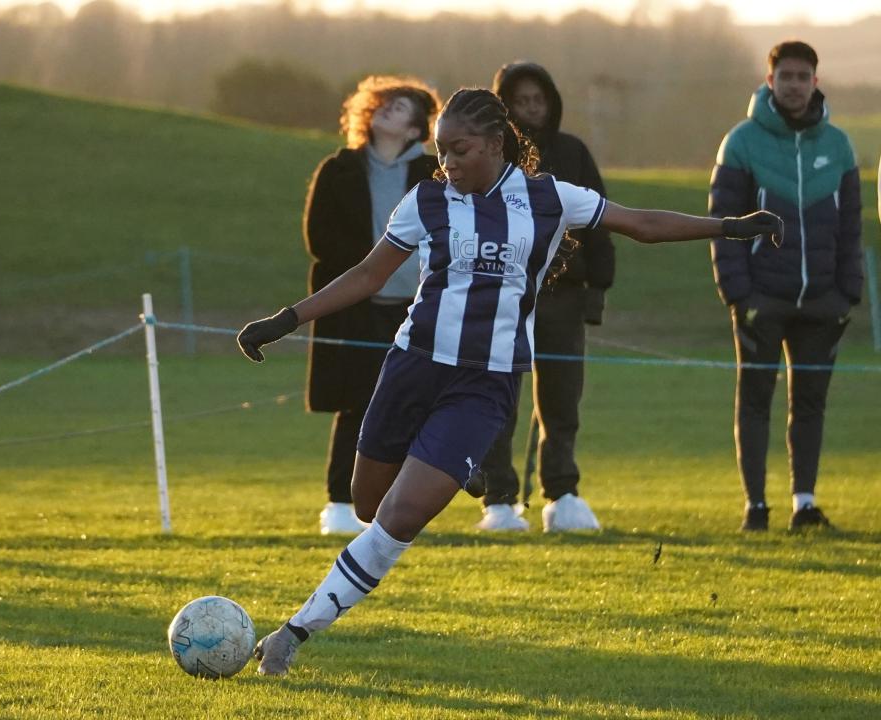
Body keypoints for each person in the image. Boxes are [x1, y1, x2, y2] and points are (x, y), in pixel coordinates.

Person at [237, 88, 782, 676]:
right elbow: (369, 276)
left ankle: (294, 632)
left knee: (399, 519)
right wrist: (285, 320)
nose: (447, 163)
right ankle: (460, 466)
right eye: (441, 150)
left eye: (460, 149)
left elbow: (641, 223)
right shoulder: (426, 200)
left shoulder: (549, 198)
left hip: (486, 383)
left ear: (496, 144)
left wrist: (730, 226)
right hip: (411, 368)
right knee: (368, 505)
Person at [710, 40, 863, 532]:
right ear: (769, 80)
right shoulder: (740, 142)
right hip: (761, 300)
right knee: (755, 400)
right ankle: (756, 507)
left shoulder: (838, 146)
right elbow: (723, 225)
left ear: (816, 82)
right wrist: (739, 295)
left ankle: (804, 504)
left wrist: (847, 296)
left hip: (823, 302)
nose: (794, 85)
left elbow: (852, 228)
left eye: (803, 77)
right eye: (786, 76)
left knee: (810, 404)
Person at [475, 61, 616, 533]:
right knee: (500, 397)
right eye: (522, 101)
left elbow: (599, 222)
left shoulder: (573, 153)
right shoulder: (490, 157)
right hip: (505, 293)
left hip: (564, 295)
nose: (532, 109)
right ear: (504, 107)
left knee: (561, 400)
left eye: (539, 100)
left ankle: (563, 492)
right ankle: (499, 500)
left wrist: (597, 287)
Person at [303, 76, 440, 535]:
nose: (387, 110)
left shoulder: (435, 176)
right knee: (356, 403)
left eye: (400, 108)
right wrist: (367, 272)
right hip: (357, 308)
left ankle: (397, 505)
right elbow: (320, 239)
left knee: (413, 404)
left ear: (416, 128)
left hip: (420, 309)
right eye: (383, 103)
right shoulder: (338, 169)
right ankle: (340, 504)